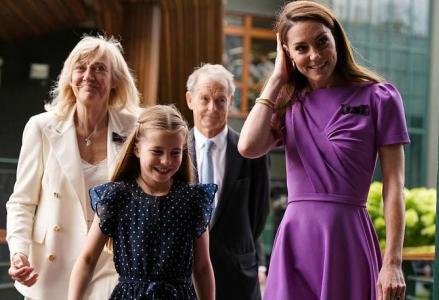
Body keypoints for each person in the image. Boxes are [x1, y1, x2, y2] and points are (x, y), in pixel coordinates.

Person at [238, 1, 409, 300]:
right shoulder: (288, 102)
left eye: (321, 42)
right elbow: (248, 146)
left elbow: (394, 185)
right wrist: (277, 78)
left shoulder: (379, 97)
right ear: (287, 53)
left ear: (336, 40)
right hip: (295, 241)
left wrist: (393, 261)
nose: (315, 56)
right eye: (301, 48)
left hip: (348, 240)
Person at [6, 35, 140, 300]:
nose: (89, 75)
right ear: (70, 77)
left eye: (100, 68)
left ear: (115, 80)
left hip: (109, 269)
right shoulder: (41, 127)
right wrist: (19, 251)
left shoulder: (135, 128)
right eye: (81, 67)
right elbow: (22, 202)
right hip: (50, 267)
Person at [68, 105, 216, 300]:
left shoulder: (193, 200)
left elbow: (203, 266)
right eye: (157, 151)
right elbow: (87, 260)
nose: (166, 161)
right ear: (137, 148)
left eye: (175, 153)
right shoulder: (116, 197)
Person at [185, 63, 270, 300]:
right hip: (184, 276)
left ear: (230, 101)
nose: (212, 108)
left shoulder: (251, 152)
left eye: (220, 100)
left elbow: (258, 215)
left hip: (237, 276)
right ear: (190, 100)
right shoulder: (175, 151)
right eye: (204, 99)